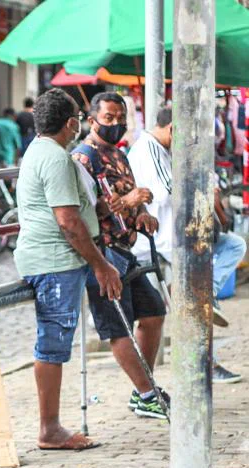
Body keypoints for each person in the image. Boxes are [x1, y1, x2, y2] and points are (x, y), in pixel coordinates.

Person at [14, 88, 122, 451]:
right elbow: (68, 221)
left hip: (59, 260)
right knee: (53, 342)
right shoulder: (56, 159)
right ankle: (49, 428)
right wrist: (101, 265)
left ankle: (52, 425)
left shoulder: (45, 151)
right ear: (72, 123)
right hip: (54, 261)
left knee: (57, 340)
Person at [128, 107, 245, 384]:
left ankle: (207, 297)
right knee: (186, 306)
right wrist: (203, 184)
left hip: (179, 236)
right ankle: (203, 364)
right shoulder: (149, 150)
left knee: (232, 247)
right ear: (172, 129)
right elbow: (169, 192)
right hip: (167, 240)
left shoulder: (162, 150)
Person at [72, 92, 170, 418]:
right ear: (92, 120)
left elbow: (130, 195)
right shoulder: (82, 160)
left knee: (153, 312)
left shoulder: (119, 154)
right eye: (109, 118)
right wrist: (128, 201)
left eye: (120, 119)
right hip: (102, 255)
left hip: (125, 250)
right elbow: (87, 210)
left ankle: (144, 388)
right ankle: (146, 392)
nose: (115, 125)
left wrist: (140, 212)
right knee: (119, 327)